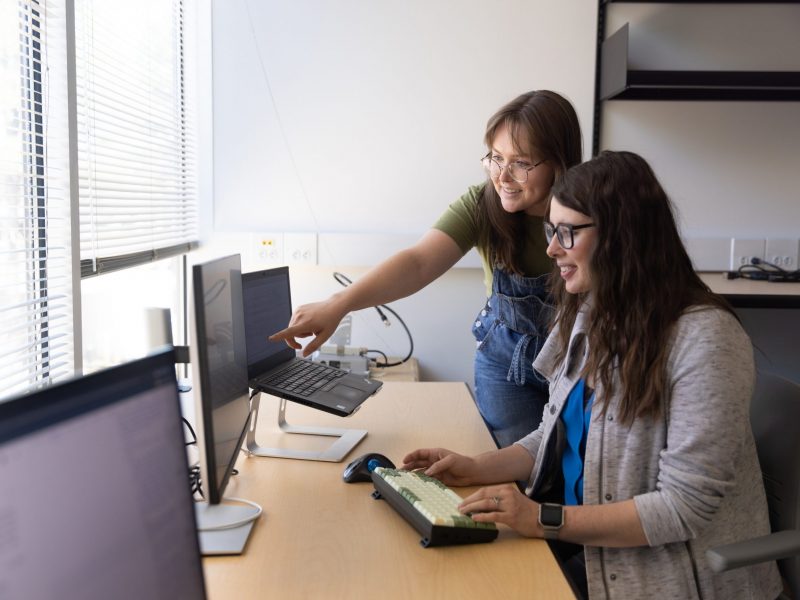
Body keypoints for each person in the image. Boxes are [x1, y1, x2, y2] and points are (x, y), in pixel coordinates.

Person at [401, 151, 782, 599]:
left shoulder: (706, 339)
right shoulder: (589, 312)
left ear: (623, 236)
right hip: (593, 552)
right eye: (551, 230)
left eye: (567, 232)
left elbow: (682, 509)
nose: (551, 249)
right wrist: (474, 467)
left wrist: (543, 519)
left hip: (664, 579)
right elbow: (553, 432)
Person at [270, 90, 583, 448]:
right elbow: (418, 263)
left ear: (558, 163)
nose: (503, 177)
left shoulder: (591, 215)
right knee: (524, 478)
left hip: (578, 363)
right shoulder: (483, 205)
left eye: (521, 163)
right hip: (506, 370)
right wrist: (338, 303)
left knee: (576, 476)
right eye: (496, 159)